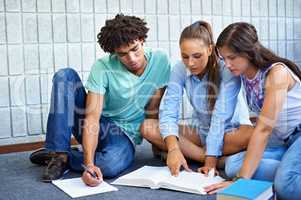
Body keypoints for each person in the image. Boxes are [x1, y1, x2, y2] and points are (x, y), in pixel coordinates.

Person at [29, 14, 171, 186]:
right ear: (114, 53)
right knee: (64, 76)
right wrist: (88, 165)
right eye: (123, 54)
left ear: (141, 40)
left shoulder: (160, 61)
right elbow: (92, 117)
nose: (132, 59)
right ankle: (60, 154)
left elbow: (152, 110)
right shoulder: (102, 67)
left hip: (124, 134)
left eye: (135, 49)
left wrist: (159, 146)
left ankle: (62, 155)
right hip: (94, 122)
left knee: (108, 166)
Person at [140, 21, 254, 176]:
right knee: (148, 127)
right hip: (202, 132)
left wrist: (210, 163)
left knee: (251, 134)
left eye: (197, 56)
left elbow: (221, 118)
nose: (191, 63)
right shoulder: (179, 69)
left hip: (232, 133)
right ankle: (213, 158)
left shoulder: (227, 70)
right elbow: (169, 111)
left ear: (209, 49)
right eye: (185, 56)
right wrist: (173, 148)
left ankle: (201, 155)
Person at [204, 22, 301, 200]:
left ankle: (288, 173)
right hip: (289, 143)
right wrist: (212, 160)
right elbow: (221, 114)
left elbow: (263, 130)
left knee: (285, 185)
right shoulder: (240, 74)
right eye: (224, 58)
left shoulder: (277, 73)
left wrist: (241, 180)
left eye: (231, 57)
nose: (227, 64)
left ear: (248, 52)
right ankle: (290, 168)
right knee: (233, 164)